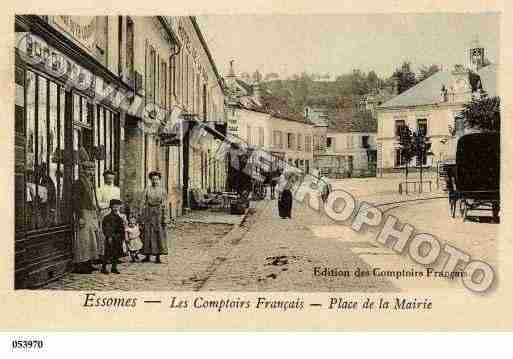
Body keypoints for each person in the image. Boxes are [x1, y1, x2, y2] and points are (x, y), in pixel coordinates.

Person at [72, 147, 103, 274]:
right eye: (88, 170)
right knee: (83, 240)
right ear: (82, 170)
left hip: (91, 213)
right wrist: (80, 216)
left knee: (92, 239)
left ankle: (89, 262)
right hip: (83, 213)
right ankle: (81, 265)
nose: (90, 172)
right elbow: (76, 201)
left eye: (92, 170)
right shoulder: (79, 183)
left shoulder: (90, 183)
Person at [139, 171, 170, 263]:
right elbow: (142, 202)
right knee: (147, 233)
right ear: (150, 180)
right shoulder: (147, 189)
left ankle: (158, 256)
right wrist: (141, 215)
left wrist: (165, 217)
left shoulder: (162, 190)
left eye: (156, 179)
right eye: (153, 179)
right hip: (148, 213)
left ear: (159, 180)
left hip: (158, 214)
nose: (155, 181)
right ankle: (147, 255)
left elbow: (165, 204)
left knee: (158, 234)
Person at [101, 199, 125, 274]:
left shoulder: (119, 218)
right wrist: (109, 236)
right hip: (110, 237)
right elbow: (106, 228)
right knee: (107, 253)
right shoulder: (107, 217)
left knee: (116, 253)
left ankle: (114, 267)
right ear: (111, 207)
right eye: (114, 206)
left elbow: (121, 228)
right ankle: (103, 268)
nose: (116, 208)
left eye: (117, 206)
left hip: (117, 238)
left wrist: (122, 237)